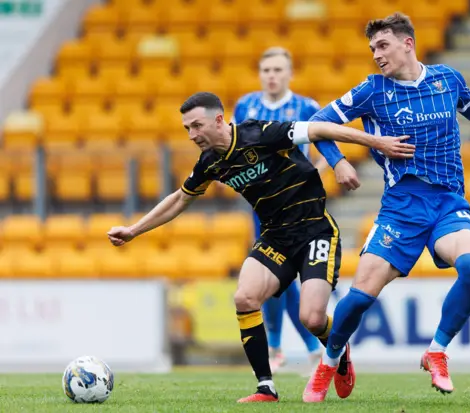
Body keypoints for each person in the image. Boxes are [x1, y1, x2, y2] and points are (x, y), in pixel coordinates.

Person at [302, 12, 470, 402]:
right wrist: (340, 161)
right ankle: (330, 359)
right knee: (359, 298)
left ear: (408, 43)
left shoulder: (447, 79)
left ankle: (437, 351)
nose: (376, 55)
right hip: (400, 208)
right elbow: (317, 123)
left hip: (447, 202)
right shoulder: (373, 90)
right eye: (372, 48)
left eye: (382, 45)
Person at [106, 92, 415, 403]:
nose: (192, 135)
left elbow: (321, 129)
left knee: (312, 318)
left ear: (218, 120)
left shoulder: (259, 133)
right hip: (275, 237)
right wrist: (134, 230)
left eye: (196, 126)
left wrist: (369, 148)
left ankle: (339, 348)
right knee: (244, 297)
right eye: (187, 128)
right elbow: (180, 199)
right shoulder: (210, 163)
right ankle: (266, 387)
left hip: (314, 230)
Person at [232, 47, 327, 373]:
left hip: (299, 206)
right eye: (266, 70)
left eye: (277, 70)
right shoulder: (246, 105)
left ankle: (290, 347)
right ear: (260, 74)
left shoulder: (306, 106)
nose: (271, 76)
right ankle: (282, 346)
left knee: (293, 278)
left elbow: (327, 146)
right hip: (263, 207)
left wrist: (315, 176)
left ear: (289, 73)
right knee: (269, 277)